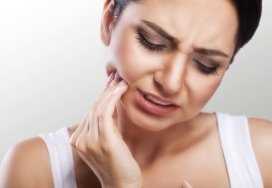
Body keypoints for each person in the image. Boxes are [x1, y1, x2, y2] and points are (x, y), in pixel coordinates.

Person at [0, 0, 271, 187]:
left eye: (206, 65)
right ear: (109, 21)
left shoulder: (263, 155)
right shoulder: (34, 168)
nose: (172, 83)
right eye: (152, 42)